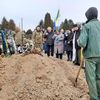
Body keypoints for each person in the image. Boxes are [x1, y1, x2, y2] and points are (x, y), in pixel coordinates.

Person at [78, 7, 100, 100]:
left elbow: (82, 42)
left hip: (91, 56)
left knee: (91, 79)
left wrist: (78, 41)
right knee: (99, 77)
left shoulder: (87, 26)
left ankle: (94, 98)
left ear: (88, 16)